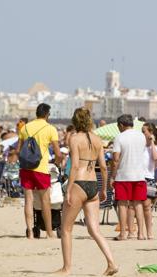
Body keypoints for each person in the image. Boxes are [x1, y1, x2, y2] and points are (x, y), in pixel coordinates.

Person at [55, 107, 118, 276]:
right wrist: (104, 188)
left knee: (66, 228)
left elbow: (75, 165)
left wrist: (68, 189)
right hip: (93, 185)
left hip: (79, 183)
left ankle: (67, 268)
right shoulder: (98, 139)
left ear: (75, 121)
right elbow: (104, 167)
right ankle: (111, 262)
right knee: (95, 230)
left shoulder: (74, 138)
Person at [17, 103, 62, 239]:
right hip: (41, 168)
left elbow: (19, 150)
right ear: (47, 114)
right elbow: (58, 153)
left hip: (26, 168)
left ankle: (30, 231)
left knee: (29, 200)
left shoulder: (25, 127)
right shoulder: (50, 129)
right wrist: (57, 163)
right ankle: (49, 232)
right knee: (45, 201)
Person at [110, 114, 147, 241]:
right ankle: (141, 233)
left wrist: (112, 176)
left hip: (123, 175)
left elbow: (115, 159)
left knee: (122, 204)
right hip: (139, 174)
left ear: (121, 125)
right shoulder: (141, 136)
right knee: (138, 204)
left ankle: (123, 233)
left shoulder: (119, 137)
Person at [142, 122, 157, 240]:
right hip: (137, 177)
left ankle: (149, 232)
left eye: (144, 131)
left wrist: (152, 143)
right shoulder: (140, 145)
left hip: (149, 177)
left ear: (150, 132)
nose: (142, 134)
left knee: (146, 206)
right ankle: (140, 232)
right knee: (136, 206)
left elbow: (155, 158)